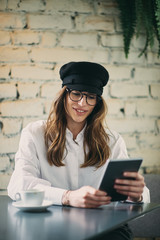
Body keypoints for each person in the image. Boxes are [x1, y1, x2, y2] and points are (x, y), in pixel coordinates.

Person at [8, 61, 150, 240]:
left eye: (91, 97)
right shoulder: (35, 133)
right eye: (76, 94)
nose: (82, 103)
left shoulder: (113, 141)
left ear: (97, 102)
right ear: (64, 95)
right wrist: (67, 197)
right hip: (49, 225)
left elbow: (141, 196)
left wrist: (136, 194)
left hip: (105, 228)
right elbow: (18, 185)